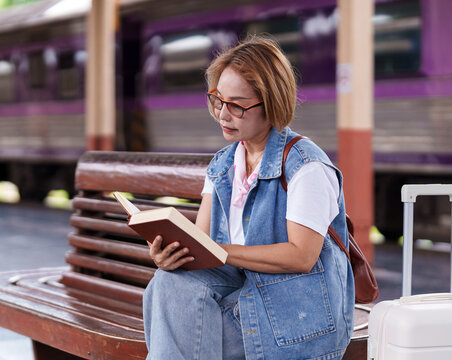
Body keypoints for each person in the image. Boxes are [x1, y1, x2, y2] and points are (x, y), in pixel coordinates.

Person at [143, 35, 355, 360]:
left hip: (293, 320)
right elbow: (202, 243)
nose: (223, 115)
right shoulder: (224, 164)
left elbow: (302, 256)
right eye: (218, 100)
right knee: (167, 283)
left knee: (180, 335)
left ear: (271, 104)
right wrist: (173, 255)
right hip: (241, 302)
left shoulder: (306, 166)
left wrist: (220, 251)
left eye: (237, 105)